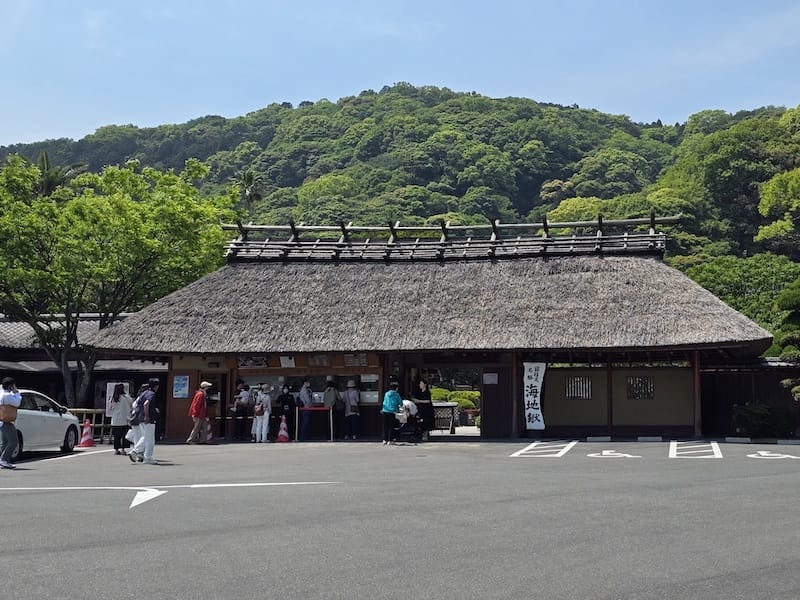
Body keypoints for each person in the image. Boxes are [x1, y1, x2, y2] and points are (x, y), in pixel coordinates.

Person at [129, 378, 160, 464]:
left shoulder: (144, 393)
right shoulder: (151, 393)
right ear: (156, 386)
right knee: (150, 439)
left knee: (145, 436)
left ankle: (135, 451)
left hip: (140, 418)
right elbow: (146, 404)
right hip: (149, 418)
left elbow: (136, 405)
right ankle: (147, 457)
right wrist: (147, 415)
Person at [0, 377, 22, 469]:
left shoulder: (1, 393)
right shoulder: (7, 396)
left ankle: (3, 461)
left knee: (5, 442)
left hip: (2, 421)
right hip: (7, 421)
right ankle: (4, 460)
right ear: (10, 386)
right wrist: (16, 392)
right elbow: (17, 403)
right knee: (13, 441)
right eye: (13, 385)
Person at [109, 383, 133, 455]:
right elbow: (132, 404)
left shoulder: (114, 398)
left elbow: (111, 408)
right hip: (125, 419)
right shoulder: (127, 397)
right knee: (124, 436)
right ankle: (123, 449)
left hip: (115, 419)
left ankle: (116, 450)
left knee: (116, 436)